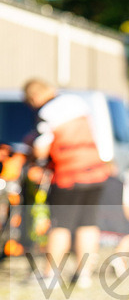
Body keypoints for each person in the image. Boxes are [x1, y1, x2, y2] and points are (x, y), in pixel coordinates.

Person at [23, 78, 114, 287]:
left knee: (60, 225)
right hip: (95, 173)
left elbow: (41, 149)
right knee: (88, 224)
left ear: (34, 97)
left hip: (68, 176)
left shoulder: (47, 113)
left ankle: (50, 275)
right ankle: (84, 275)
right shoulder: (76, 102)